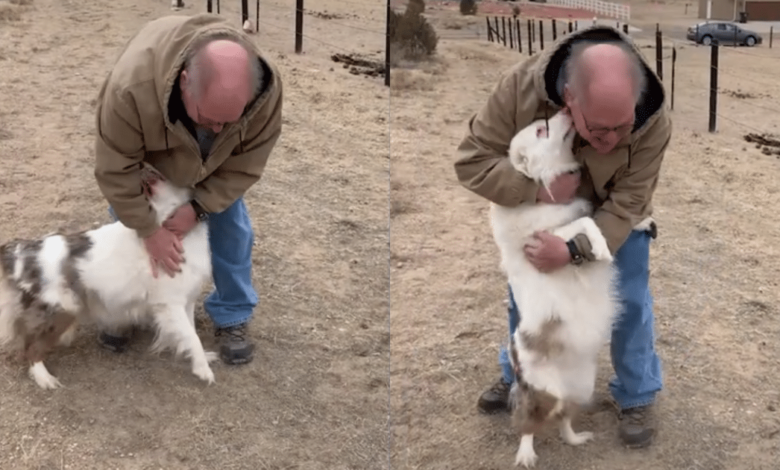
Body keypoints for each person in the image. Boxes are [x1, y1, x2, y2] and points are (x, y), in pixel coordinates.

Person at [454, 25, 672, 449]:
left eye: (622, 128)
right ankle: (519, 377)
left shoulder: (653, 119)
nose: (611, 143)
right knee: (530, 302)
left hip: (612, 216)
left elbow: (628, 202)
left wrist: (574, 249)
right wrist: (536, 191)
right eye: (599, 130)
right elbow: (472, 160)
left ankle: (637, 394)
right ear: (570, 99)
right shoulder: (519, 88)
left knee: (627, 298)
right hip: (543, 209)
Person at [93, 13, 283, 366]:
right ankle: (126, 307)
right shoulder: (131, 88)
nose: (216, 127)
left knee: (232, 229)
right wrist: (149, 228)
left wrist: (199, 207)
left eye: (228, 121)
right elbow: (114, 166)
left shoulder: (264, 94)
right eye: (208, 117)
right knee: (128, 225)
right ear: (184, 82)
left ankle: (233, 314)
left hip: (217, 166)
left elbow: (246, 164)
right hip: (153, 162)